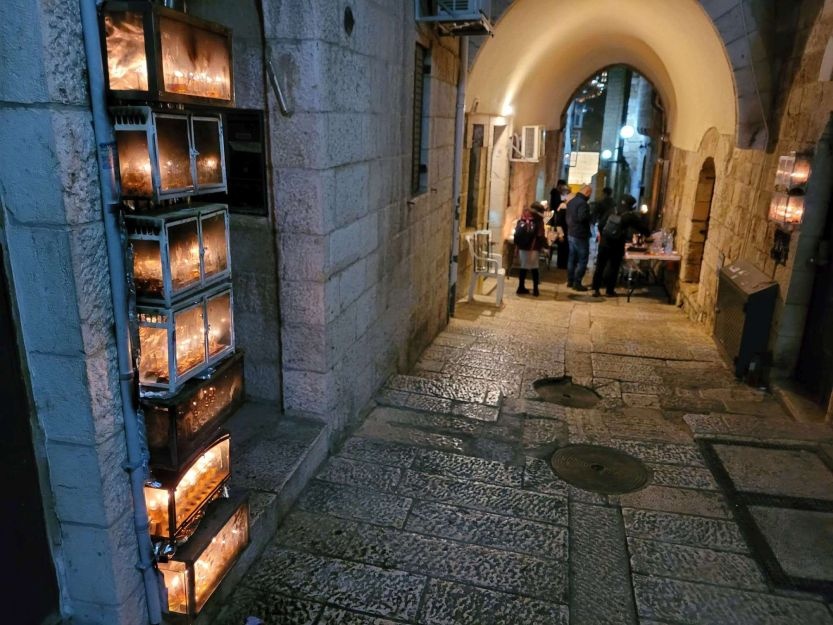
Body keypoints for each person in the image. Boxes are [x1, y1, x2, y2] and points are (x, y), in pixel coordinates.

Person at [592, 194, 650, 297]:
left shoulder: (611, 210)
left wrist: (604, 235)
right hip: (617, 244)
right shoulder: (629, 215)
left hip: (604, 243)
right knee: (614, 267)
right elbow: (643, 228)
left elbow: (601, 225)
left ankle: (595, 289)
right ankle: (609, 291)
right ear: (632, 205)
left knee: (600, 266)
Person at [513, 202, 546, 296]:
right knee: (534, 267)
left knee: (523, 266)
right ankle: (535, 289)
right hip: (533, 247)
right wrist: (544, 245)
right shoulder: (539, 220)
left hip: (523, 246)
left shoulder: (524, 217)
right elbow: (540, 234)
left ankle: (521, 287)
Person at [565, 184, 593, 290]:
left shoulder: (571, 201)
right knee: (582, 259)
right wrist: (590, 215)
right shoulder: (583, 204)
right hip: (580, 235)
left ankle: (570, 281)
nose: (590, 195)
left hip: (571, 233)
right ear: (587, 192)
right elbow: (582, 218)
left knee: (572, 258)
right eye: (590, 193)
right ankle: (577, 283)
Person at [549, 180, 570, 269]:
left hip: (559, 223)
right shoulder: (557, 196)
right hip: (559, 224)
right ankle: (561, 264)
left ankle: (561, 263)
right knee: (562, 245)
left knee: (563, 245)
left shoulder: (557, 195)